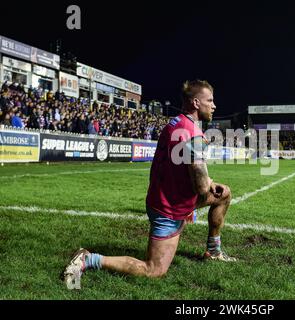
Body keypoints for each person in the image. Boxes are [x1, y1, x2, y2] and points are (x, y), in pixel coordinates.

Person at [63, 80, 236, 287]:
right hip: (169, 207)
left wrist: (210, 181)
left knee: (223, 194)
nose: (214, 105)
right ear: (197, 103)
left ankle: (213, 251)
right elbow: (200, 187)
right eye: (210, 100)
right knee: (154, 270)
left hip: (167, 196)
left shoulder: (176, 123)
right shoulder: (193, 135)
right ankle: (88, 259)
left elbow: (179, 168)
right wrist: (207, 181)